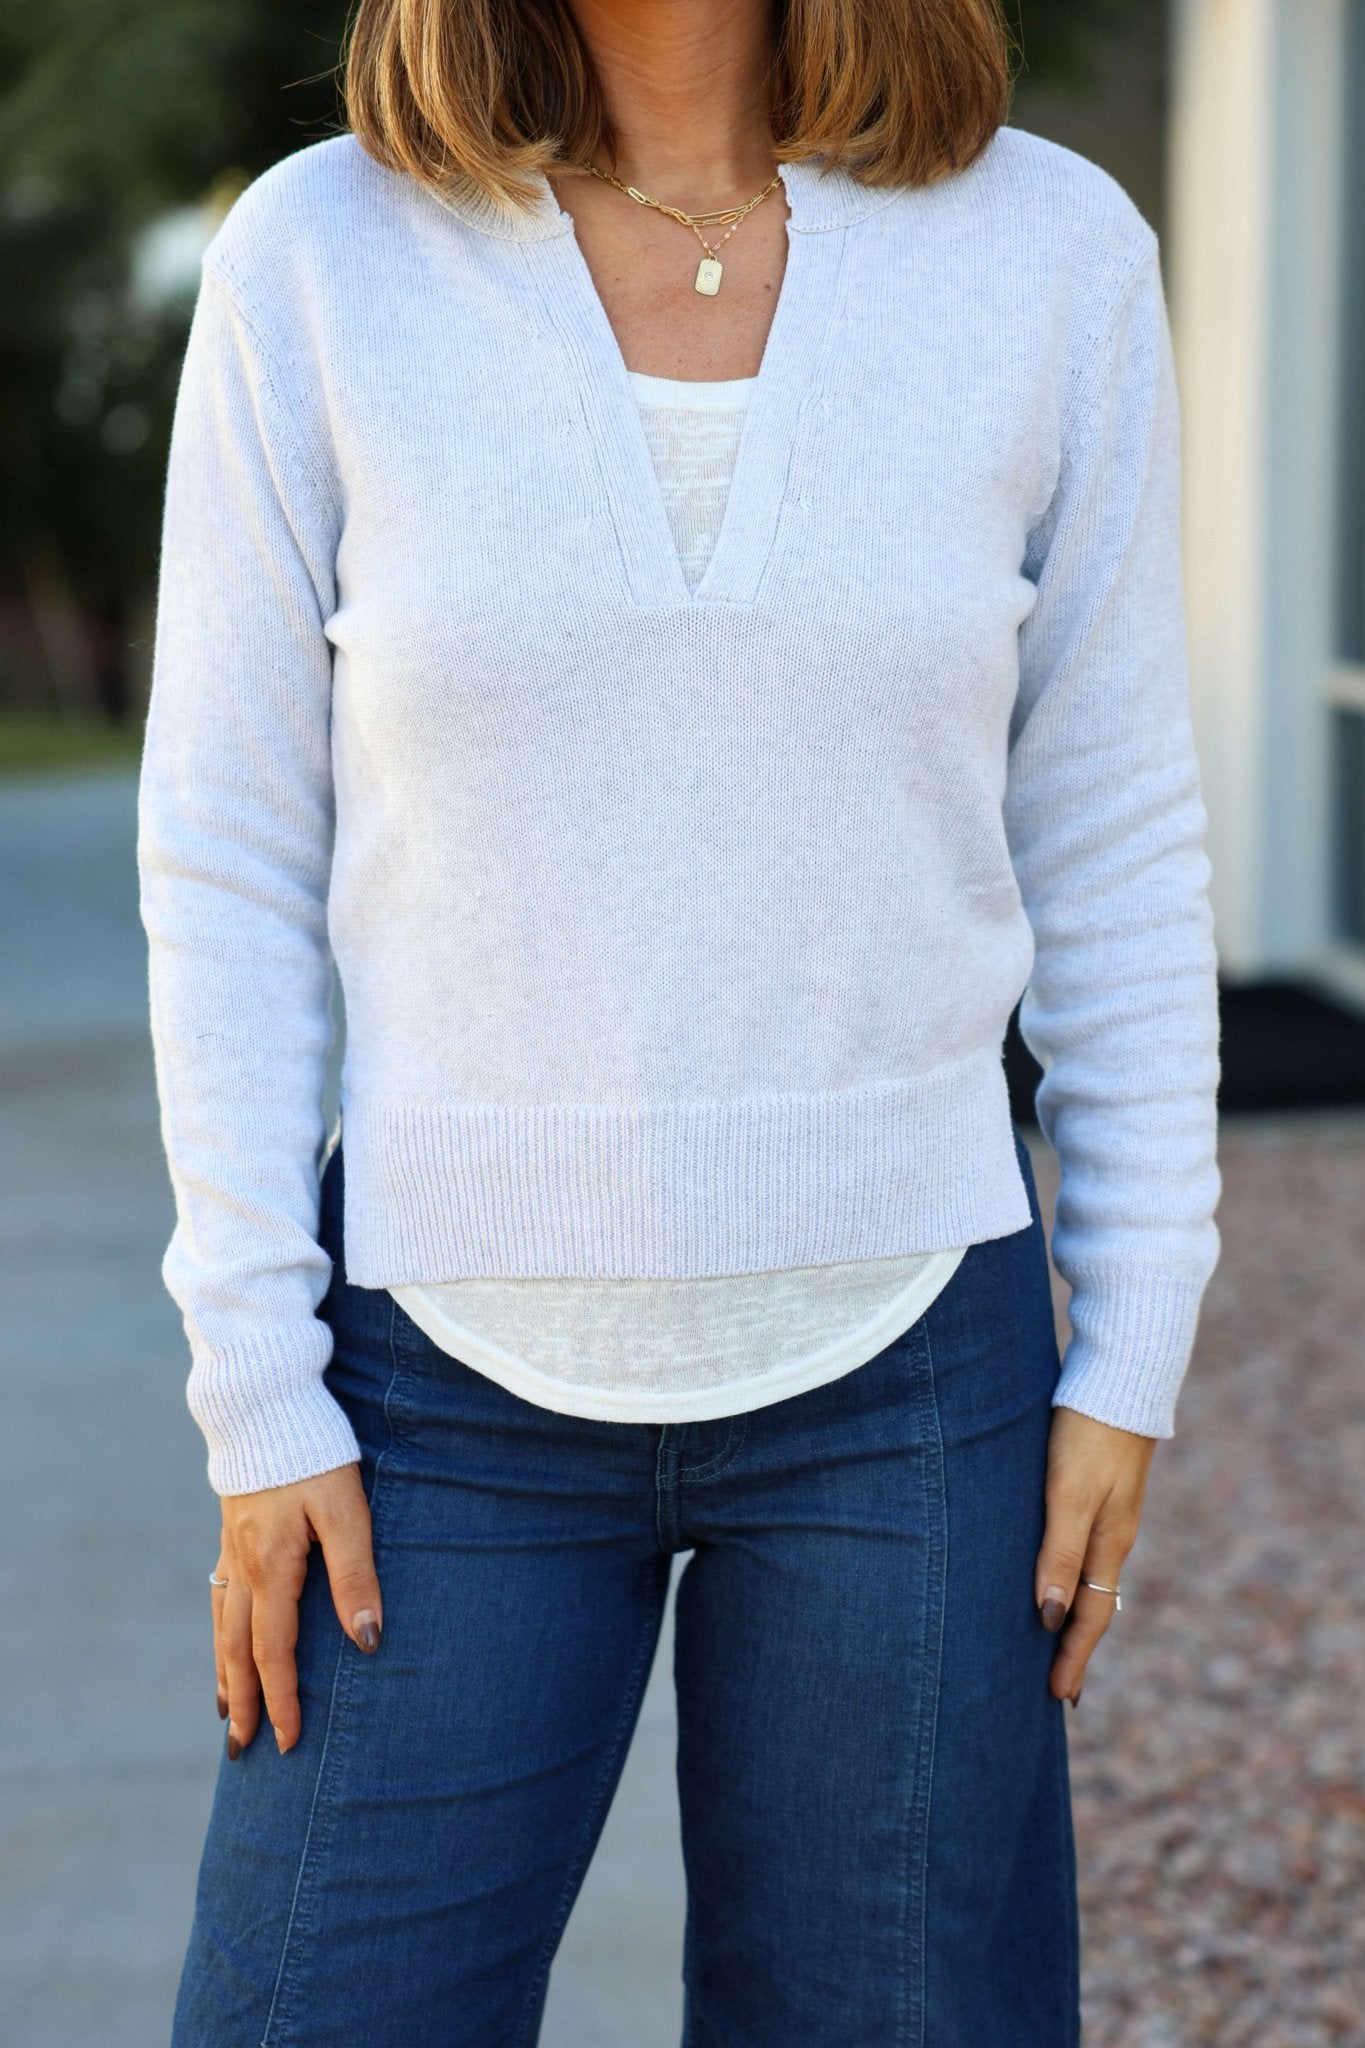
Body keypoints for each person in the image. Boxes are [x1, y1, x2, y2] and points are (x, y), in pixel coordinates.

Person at [139, 0, 1222, 2039]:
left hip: (914, 1372)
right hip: (426, 1384)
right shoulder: (318, 259)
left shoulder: (1048, 254)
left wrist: (1135, 1327)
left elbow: (1113, 828)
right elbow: (224, 860)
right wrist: (256, 1379)